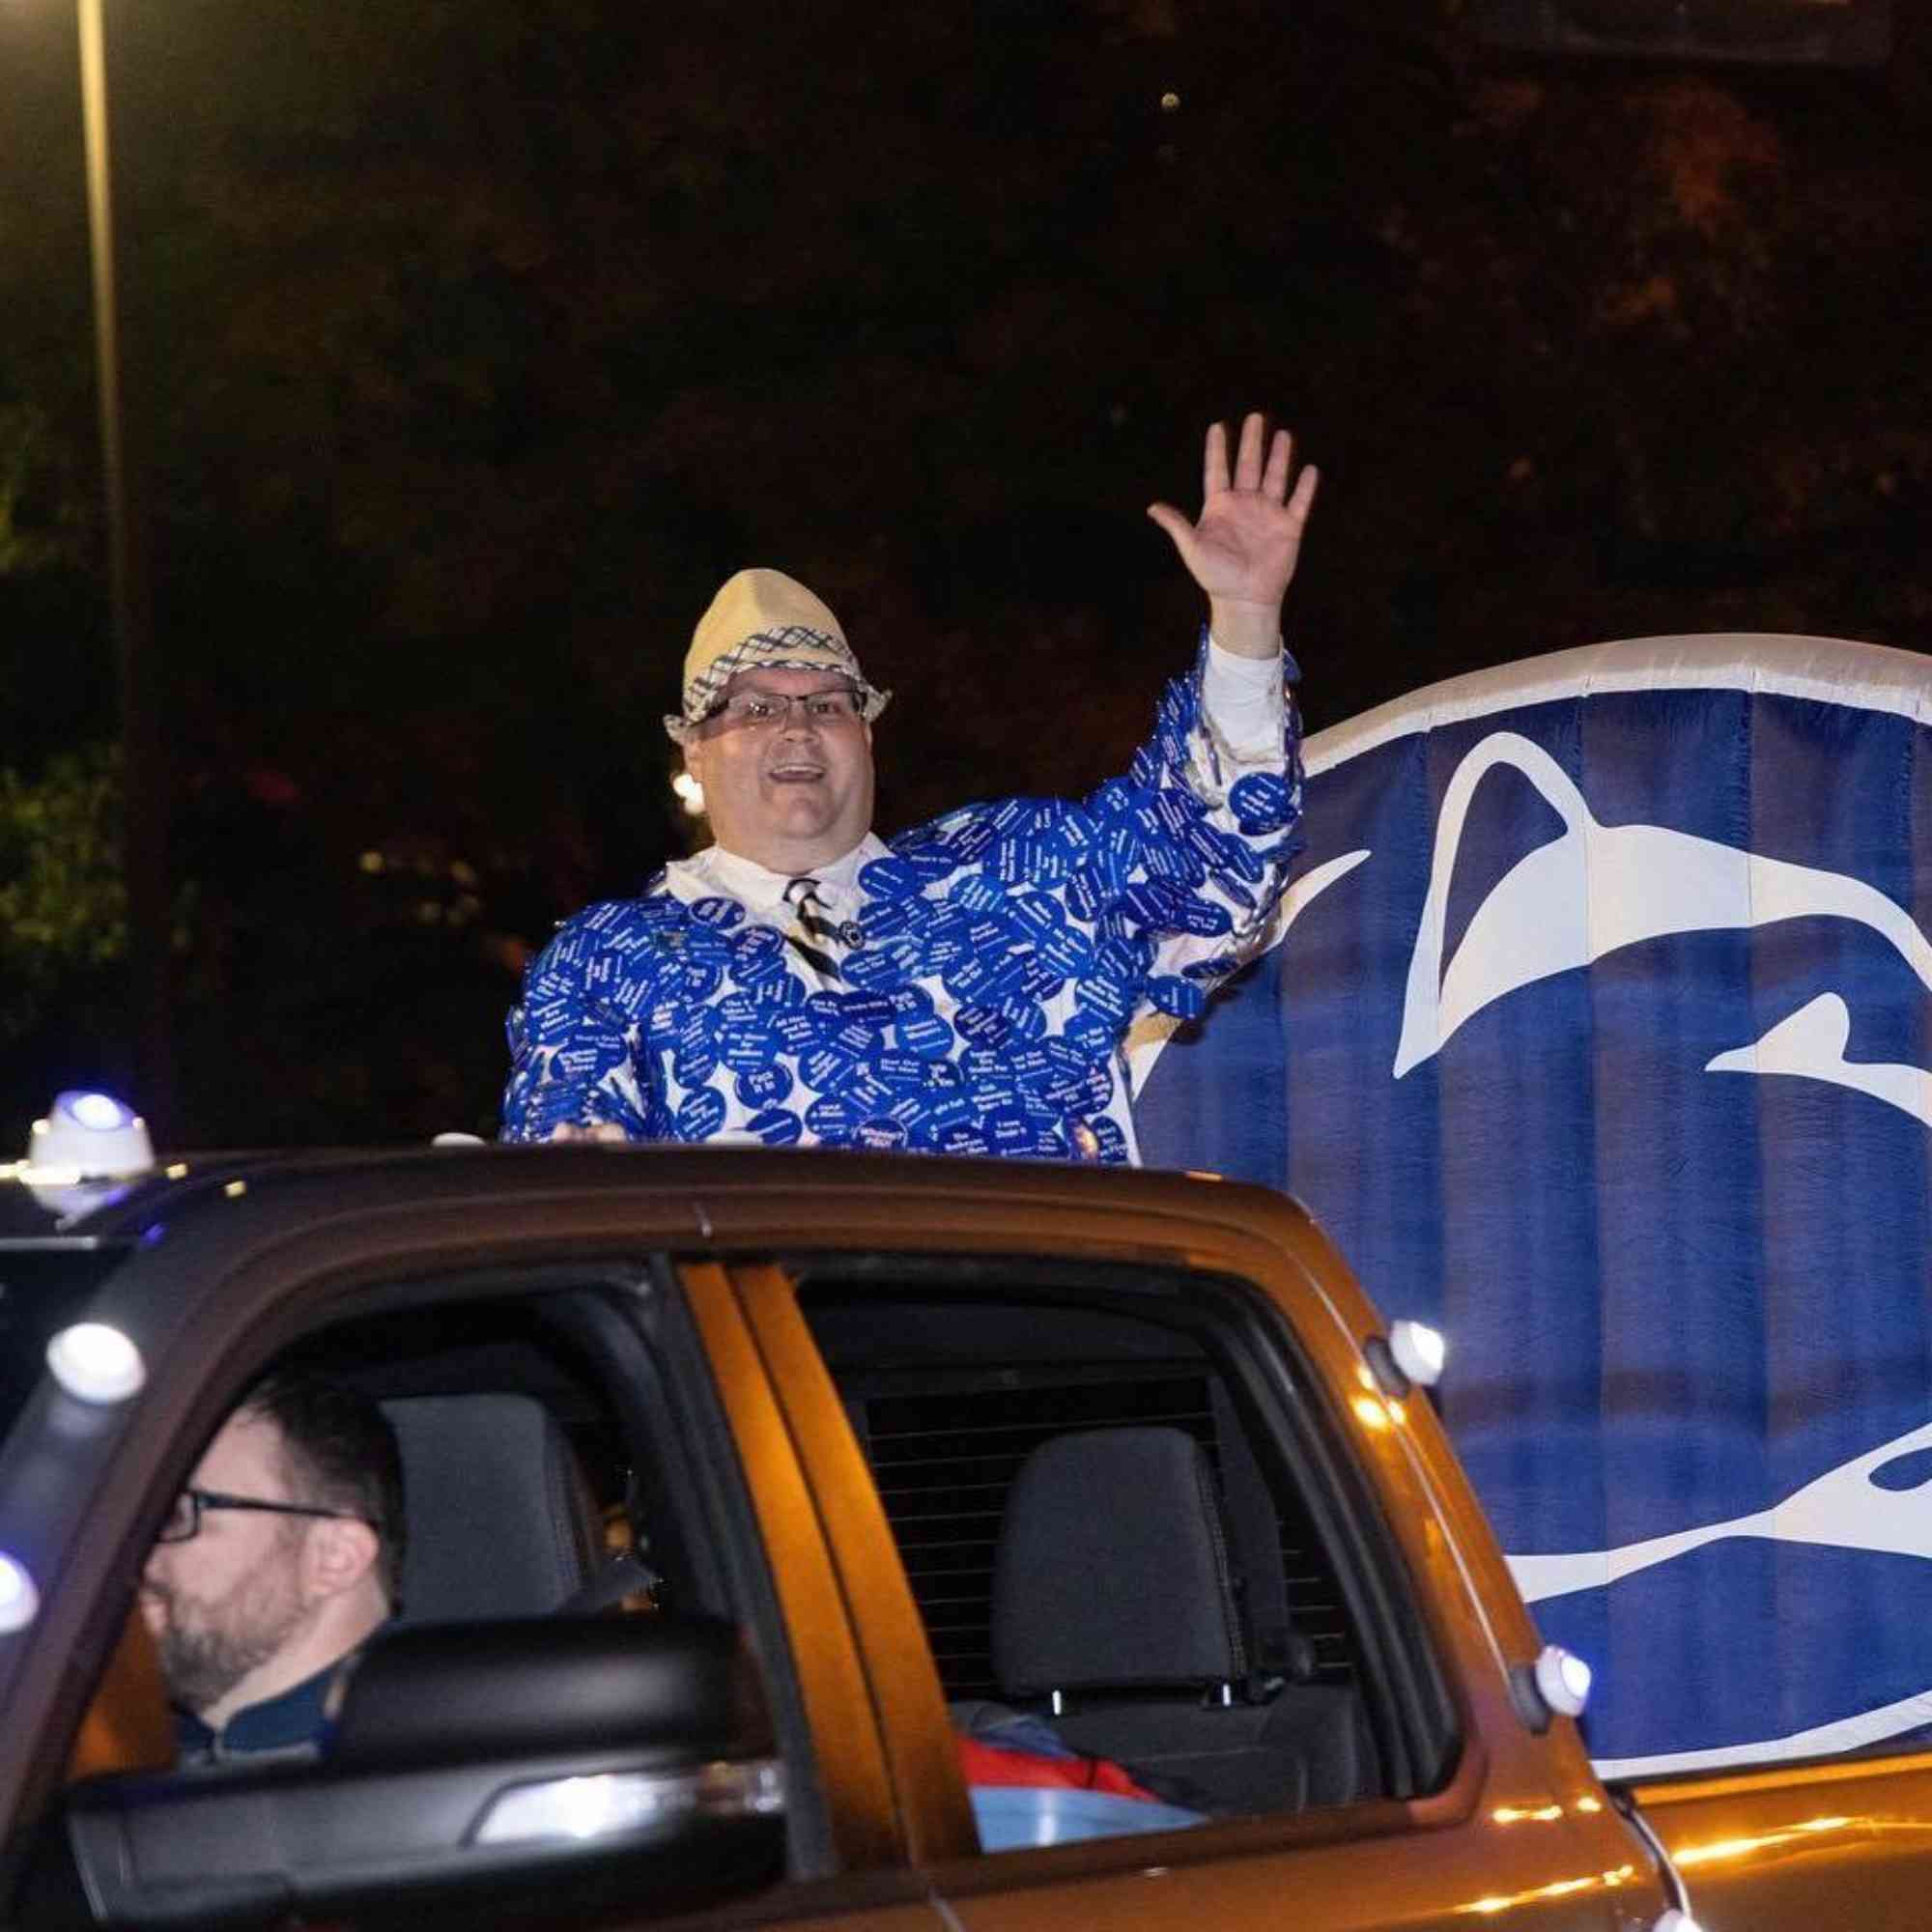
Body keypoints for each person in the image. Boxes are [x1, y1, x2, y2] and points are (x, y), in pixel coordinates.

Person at [501, 412, 1318, 1162]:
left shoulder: (1017, 879)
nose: (796, 725)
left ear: (866, 733)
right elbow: (571, 1163)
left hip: (1054, 1315)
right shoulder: (613, 962)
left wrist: (1244, 619)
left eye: (827, 703)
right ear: (694, 751)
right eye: (753, 707)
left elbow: (1216, 855)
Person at [139, 1374, 403, 1765]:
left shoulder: (448, 1766)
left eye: (176, 1515)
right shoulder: (100, 1764)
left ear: (334, 1557)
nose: (136, 1557)